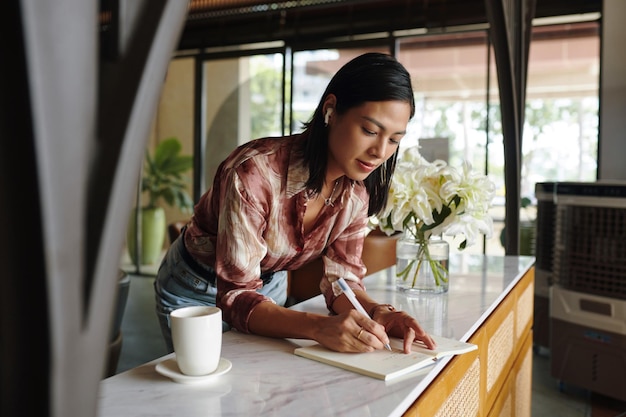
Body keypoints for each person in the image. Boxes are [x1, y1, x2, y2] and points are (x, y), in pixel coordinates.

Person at [154, 52, 436, 354]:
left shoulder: (356, 194)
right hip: (195, 292)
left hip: (268, 290)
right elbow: (236, 295)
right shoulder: (255, 174)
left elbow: (342, 280)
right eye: (369, 131)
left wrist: (377, 311)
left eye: (394, 139)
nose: (380, 151)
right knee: (204, 393)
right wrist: (317, 327)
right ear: (331, 110)